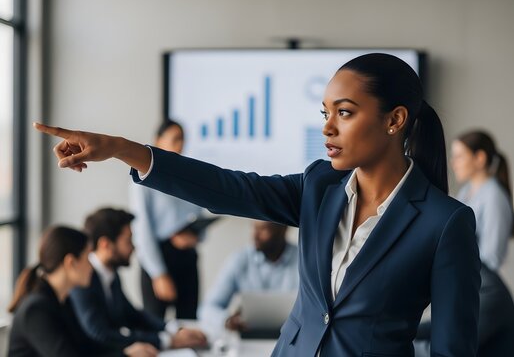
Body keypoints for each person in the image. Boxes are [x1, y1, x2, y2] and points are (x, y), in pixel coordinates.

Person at [35, 53, 481, 357]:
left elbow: (452, 349)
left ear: (394, 120)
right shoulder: (320, 186)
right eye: (324, 113)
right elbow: (227, 187)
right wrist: (120, 148)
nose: (328, 128)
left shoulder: (446, 223)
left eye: (344, 112)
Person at [68, 207, 208, 353]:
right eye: (128, 241)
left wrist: (174, 329)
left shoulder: (111, 275)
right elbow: (100, 334)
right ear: (106, 244)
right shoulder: (83, 280)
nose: (134, 247)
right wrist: (166, 340)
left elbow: (132, 315)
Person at [8, 225, 158, 357]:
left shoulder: (62, 300)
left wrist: (129, 351)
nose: (91, 266)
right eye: (87, 258)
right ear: (70, 262)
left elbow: (87, 346)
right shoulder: (36, 309)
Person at [129, 119, 204, 320]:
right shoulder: (144, 176)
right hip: (159, 256)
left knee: (189, 324)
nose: (180, 144)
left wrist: (196, 236)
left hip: (187, 257)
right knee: (154, 325)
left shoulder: (189, 174)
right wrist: (158, 273)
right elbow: (141, 228)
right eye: (175, 139)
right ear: (158, 141)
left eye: (183, 139)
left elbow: (199, 214)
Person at [199, 220, 298, 332]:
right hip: (247, 340)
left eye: (263, 229)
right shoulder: (240, 259)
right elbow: (207, 308)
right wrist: (227, 320)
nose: (255, 235)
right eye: (254, 228)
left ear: (283, 229)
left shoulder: (304, 262)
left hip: (291, 337)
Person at [414, 263, 514, 357]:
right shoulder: (467, 282)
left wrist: (403, 343)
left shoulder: (490, 294)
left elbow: (447, 351)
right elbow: (443, 326)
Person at [450, 130, 513, 271]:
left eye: (459, 157)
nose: (453, 163)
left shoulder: (494, 196)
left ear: (479, 158)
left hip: (482, 287)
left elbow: (492, 258)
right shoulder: (466, 191)